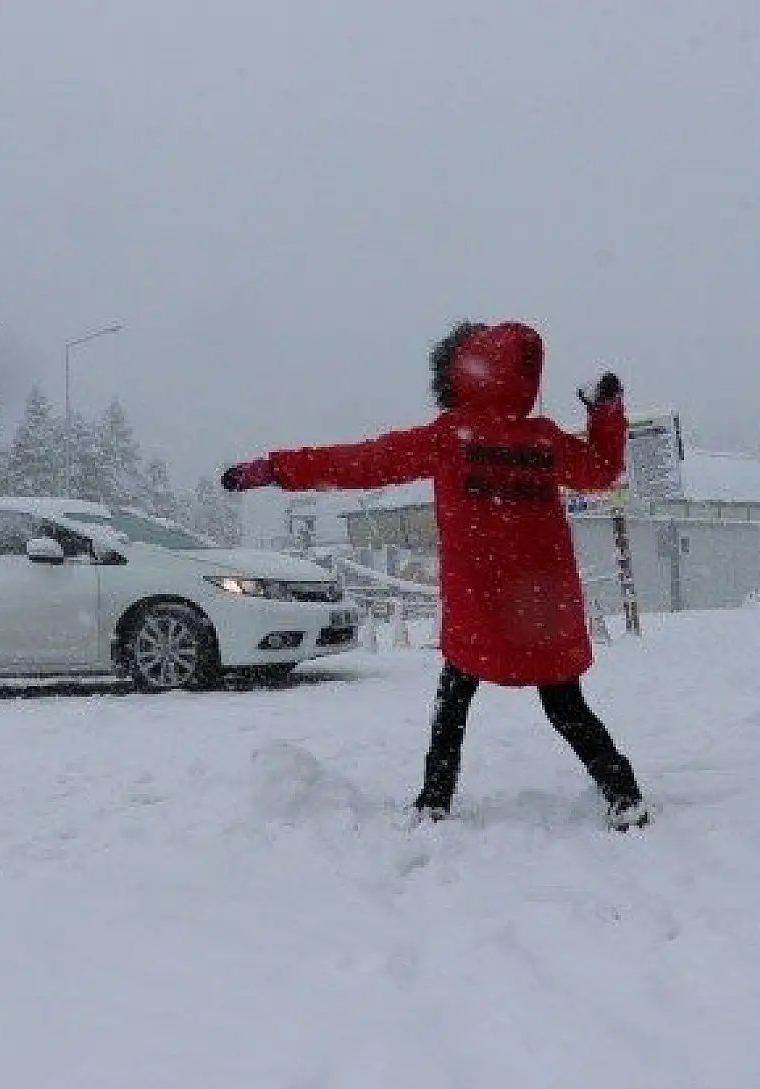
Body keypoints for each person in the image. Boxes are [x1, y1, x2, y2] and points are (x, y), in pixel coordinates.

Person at [221, 321, 647, 829]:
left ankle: (435, 800)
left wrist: (276, 469)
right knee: (564, 705)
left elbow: (362, 462)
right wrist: (605, 413)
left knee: (453, 699)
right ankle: (622, 793)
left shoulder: (449, 439)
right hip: (540, 603)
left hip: (479, 601)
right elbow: (602, 470)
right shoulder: (544, 441)